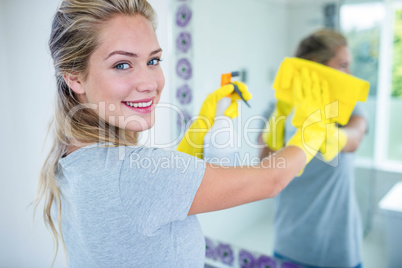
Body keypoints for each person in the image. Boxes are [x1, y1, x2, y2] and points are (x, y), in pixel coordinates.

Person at [35, 0, 332, 267]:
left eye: (153, 61)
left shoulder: (73, 157)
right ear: (75, 78)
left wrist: (202, 123)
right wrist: (314, 128)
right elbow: (271, 179)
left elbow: (156, 197)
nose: (149, 82)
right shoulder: (134, 175)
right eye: (122, 64)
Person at [259, 29, 368, 268]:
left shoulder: (346, 107)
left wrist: (324, 131)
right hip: (290, 245)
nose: (349, 73)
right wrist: (280, 117)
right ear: (317, 67)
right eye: (343, 65)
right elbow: (265, 165)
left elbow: (355, 137)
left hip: (339, 249)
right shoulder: (278, 108)